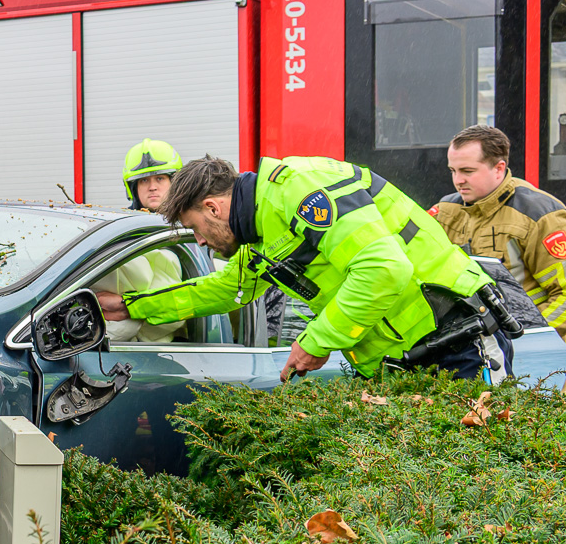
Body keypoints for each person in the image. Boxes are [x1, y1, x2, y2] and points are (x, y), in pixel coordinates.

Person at [123, 155, 512, 382]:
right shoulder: (257, 231)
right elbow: (226, 290)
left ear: (212, 207)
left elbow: (383, 269)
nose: (202, 242)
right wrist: (131, 307)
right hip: (403, 360)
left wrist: (315, 342)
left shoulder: (299, 191)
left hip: (458, 338)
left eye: (195, 229)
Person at [432, 125, 566, 336]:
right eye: (453, 171)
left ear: (499, 169)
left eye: (467, 171)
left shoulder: (539, 215)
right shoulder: (446, 211)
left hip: (523, 357)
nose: (458, 180)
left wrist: (525, 339)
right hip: (468, 354)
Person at [95, 140, 187, 339]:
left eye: (160, 179)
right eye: (144, 181)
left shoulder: (193, 225)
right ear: (133, 187)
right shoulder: (121, 228)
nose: (152, 187)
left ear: (175, 182)